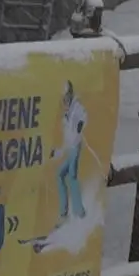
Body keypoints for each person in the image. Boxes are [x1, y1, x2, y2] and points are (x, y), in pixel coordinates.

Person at [50, 80, 88, 223]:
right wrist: (55, 153)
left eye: (66, 98)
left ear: (70, 95)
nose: (64, 102)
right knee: (60, 175)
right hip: (71, 148)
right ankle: (64, 213)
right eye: (63, 99)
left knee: (72, 177)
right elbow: (66, 143)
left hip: (76, 147)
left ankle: (80, 213)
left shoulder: (77, 107)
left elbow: (84, 116)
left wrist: (80, 124)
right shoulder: (64, 117)